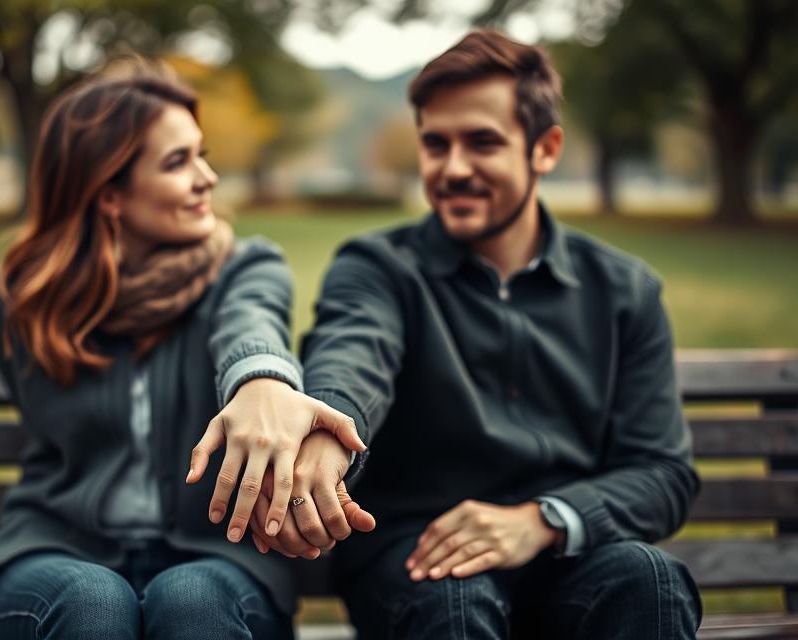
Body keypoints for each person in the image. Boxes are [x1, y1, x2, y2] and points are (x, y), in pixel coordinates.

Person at [248, 29, 702, 638]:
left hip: (565, 555)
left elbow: (662, 472)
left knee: (649, 579)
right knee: (453, 599)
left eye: (482, 142)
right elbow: (354, 356)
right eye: (436, 144)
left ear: (545, 149)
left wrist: (541, 520)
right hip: (416, 556)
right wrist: (331, 436)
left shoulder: (625, 291)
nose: (454, 168)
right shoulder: (377, 268)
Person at [0, 61, 368, 640]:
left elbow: (251, 323)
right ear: (109, 193)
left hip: (217, 559)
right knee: (94, 604)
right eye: (178, 162)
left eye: (203, 155)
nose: (207, 178)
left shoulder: (245, 266)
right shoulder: (20, 302)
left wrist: (261, 383)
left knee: (191, 602)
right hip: (52, 550)